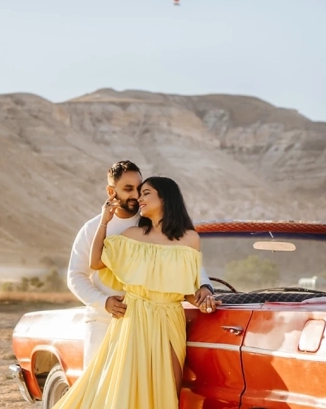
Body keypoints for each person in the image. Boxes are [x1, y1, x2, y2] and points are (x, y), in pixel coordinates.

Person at [54, 176, 204, 409]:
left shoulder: (191, 239)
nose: (139, 198)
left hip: (170, 318)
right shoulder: (133, 236)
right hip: (135, 317)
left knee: (167, 392)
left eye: (146, 193)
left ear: (164, 197)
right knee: (127, 389)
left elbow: (186, 287)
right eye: (138, 193)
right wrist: (104, 221)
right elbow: (96, 262)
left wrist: (205, 298)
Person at [66, 160, 217, 368]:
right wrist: (104, 302)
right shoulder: (92, 228)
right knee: (101, 386)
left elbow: (184, 259)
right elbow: (76, 275)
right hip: (103, 319)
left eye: (140, 188)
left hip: (144, 323)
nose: (136, 196)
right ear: (111, 191)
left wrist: (205, 286)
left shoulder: (149, 221)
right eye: (128, 189)